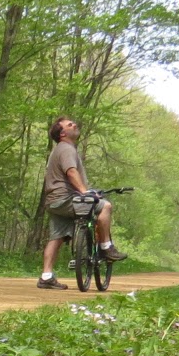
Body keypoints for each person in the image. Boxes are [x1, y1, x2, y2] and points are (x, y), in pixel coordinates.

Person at [37, 116, 125, 289]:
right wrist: (85, 192)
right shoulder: (67, 149)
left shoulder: (58, 150)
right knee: (105, 206)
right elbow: (70, 172)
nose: (74, 125)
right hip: (66, 198)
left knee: (56, 237)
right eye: (70, 125)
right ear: (62, 133)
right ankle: (107, 247)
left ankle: (46, 276)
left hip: (54, 202)